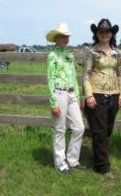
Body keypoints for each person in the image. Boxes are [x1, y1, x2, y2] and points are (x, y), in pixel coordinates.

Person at [83, 19, 121, 179]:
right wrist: (89, 95)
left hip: (114, 95)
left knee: (106, 130)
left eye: (107, 31)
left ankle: (97, 159)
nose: (104, 34)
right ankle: (104, 167)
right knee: (99, 132)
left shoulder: (117, 52)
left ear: (111, 33)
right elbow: (86, 74)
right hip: (96, 94)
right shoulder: (91, 51)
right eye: (101, 32)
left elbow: (120, 73)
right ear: (97, 34)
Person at [46, 22, 86, 175]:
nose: (65, 39)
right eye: (62, 36)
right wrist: (53, 102)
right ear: (56, 38)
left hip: (71, 94)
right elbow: (50, 79)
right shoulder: (52, 56)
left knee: (79, 127)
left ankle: (72, 160)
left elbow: (74, 78)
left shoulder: (70, 55)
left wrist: (78, 96)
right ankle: (60, 163)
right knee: (60, 128)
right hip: (59, 94)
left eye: (67, 36)